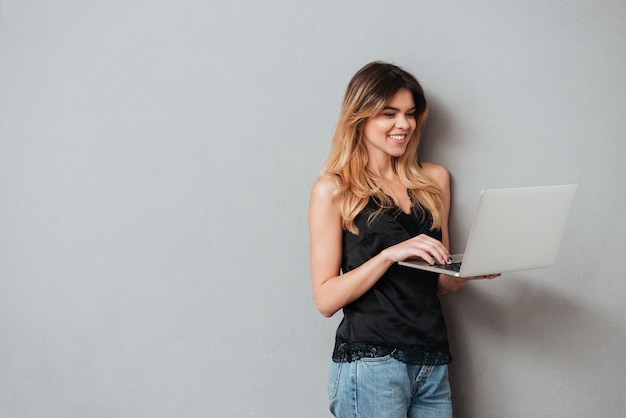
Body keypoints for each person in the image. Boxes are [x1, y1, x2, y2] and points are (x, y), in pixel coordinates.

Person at [308, 61, 499, 418]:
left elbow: (437, 283)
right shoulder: (333, 190)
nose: (404, 125)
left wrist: (470, 271)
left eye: (411, 114)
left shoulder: (434, 180)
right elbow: (325, 298)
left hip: (432, 358)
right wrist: (387, 255)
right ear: (359, 117)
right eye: (389, 113)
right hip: (371, 362)